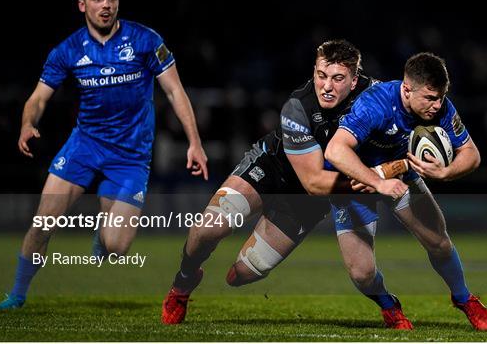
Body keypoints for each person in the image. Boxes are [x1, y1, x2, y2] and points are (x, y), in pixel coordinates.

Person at [0, 0, 208, 310]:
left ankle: (103, 237)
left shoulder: (146, 41)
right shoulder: (68, 50)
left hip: (130, 157)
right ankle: (17, 295)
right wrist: (26, 124)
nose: (106, 5)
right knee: (43, 224)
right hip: (84, 147)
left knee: (117, 247)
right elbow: (37, 98)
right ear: (82, 5)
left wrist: (194, 142)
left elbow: (175, 91)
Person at [162, 39, 381, 324]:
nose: (326, 86)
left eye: (337, 78)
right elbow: (313, 179)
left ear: (354, 80)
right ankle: (183, 282)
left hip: (304, 202)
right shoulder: (298, 106)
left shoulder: (377, 95)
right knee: (208, 229)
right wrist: (373, 179)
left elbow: (411, 100)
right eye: (321, 75)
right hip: (271, 168)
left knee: (241, 275)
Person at [325, 52, 487, 330]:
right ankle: (388, 305)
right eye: (430, 98)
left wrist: (445, 172)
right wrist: (377, 181)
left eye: (441, 97)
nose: (437, 105)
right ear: (407, 89)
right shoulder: (375, 104)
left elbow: (471, 154)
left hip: (402, 175)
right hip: (356, 182)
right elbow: (335, 150)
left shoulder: (442, 109)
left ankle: (464, 298)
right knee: (362, 273)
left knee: (439, 242)